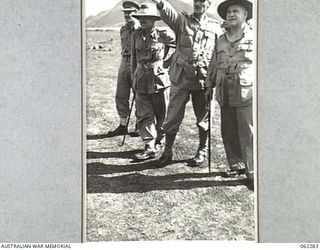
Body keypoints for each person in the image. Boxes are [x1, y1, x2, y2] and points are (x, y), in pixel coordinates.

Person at [151, 0, 222, 166]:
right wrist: (160, 2)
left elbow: (218, 53)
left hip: (203, 79)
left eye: (202, 1)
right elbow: (168, 13)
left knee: (203, 118)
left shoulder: (215, 26)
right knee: (172, 116)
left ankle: (202, 150)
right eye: (196, 0)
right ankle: (168, 151)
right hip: (181, 77)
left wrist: (214, 78)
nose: (198, 4)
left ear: (208, 4)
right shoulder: (182, 21)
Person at [205, 0, 254, 188]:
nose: (231, 15)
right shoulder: (220, 39)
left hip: (246, 91)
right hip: (224, 89)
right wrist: (209, 85)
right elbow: (213, 63)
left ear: (245, 15)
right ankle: (236, 164)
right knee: (229, 131)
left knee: (247, 132)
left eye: (236, 11)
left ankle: (252, 172)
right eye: (228, 13)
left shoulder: (255, 36)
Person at [130, 3, 176, 160]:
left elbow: (178, 46)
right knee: (144, 114)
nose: (142, 20)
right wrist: (133, 78)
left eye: (145, 17)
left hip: (159, 79)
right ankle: (149, 146)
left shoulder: (163, 33)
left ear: (153, 19)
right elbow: (133, 59)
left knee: (162, 114)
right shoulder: (135, 35)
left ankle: (160, 141)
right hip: (141, 78)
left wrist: (166, 64)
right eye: (140, 17)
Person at [107, 1, 140, 137]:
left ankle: (140, 125)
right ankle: (122, 125)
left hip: (137, 64)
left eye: (130, 12)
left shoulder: (140, 30)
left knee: (139, 96)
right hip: (124, 63)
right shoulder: (123, 29)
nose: (127, 15)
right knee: (121, 95)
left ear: (136, 13)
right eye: (125, 12)